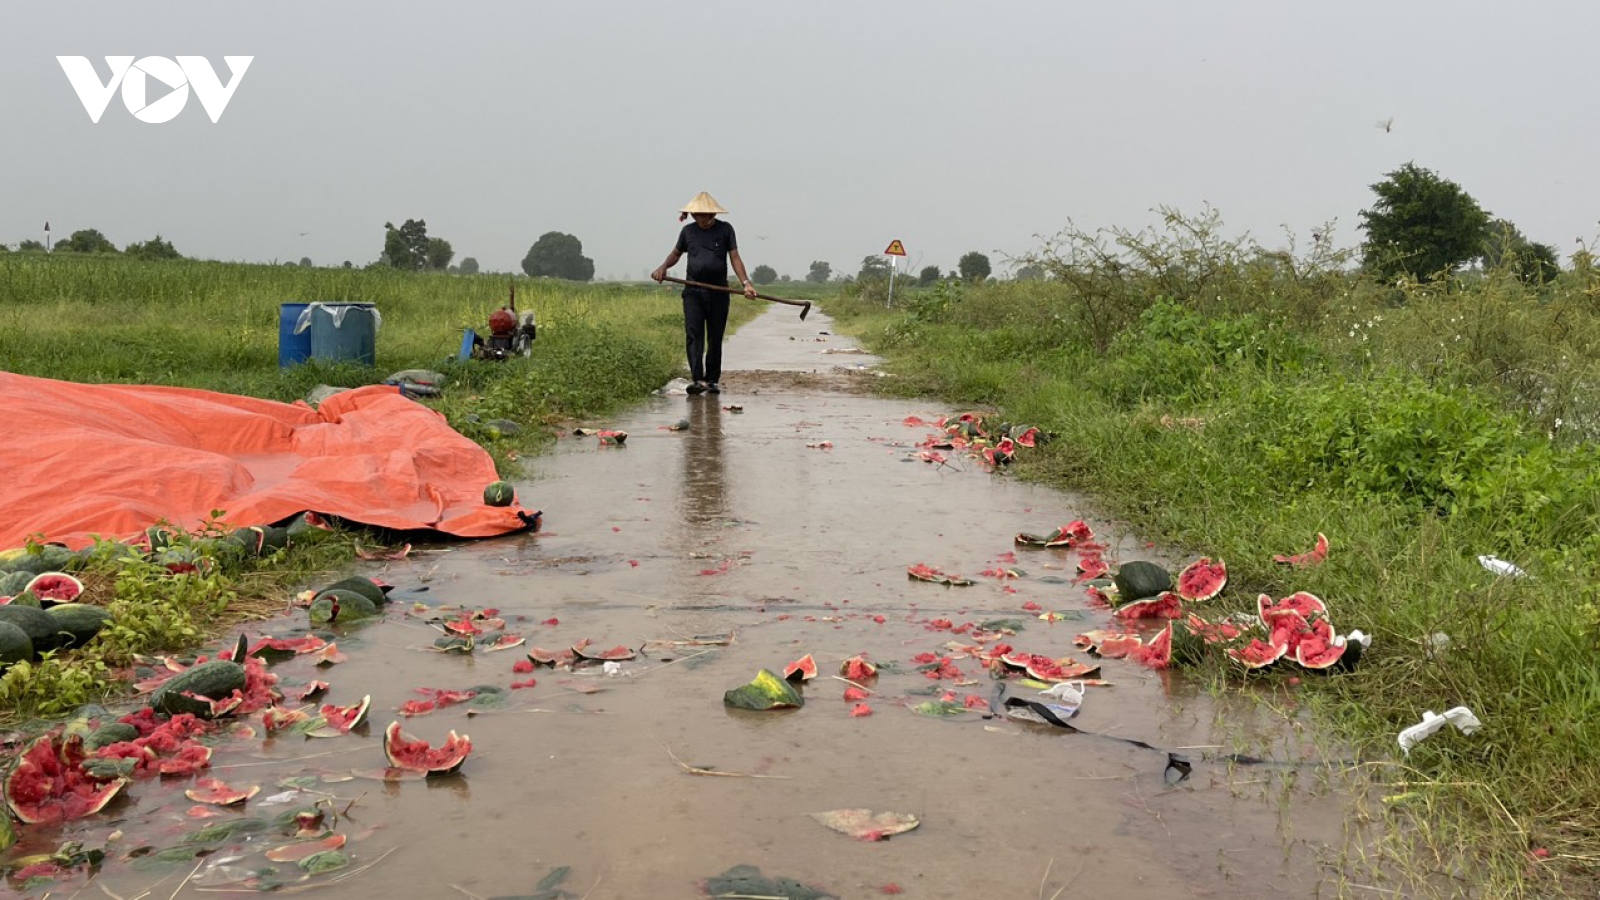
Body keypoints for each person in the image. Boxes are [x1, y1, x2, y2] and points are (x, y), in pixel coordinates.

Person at [651, 192, 757, 395]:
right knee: (694, 335)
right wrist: (663, 267)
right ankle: (697, 380)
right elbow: (676, 254)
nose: (703, 220)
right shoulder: (687, 232)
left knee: (715, 337)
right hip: (693, 292)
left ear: (713, 214)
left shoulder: (726, 230)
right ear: (693, 215)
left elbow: (734, 257)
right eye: (698, 216)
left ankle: (712, 381)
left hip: (718, 292)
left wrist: (746, 283)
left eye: (706, 216)